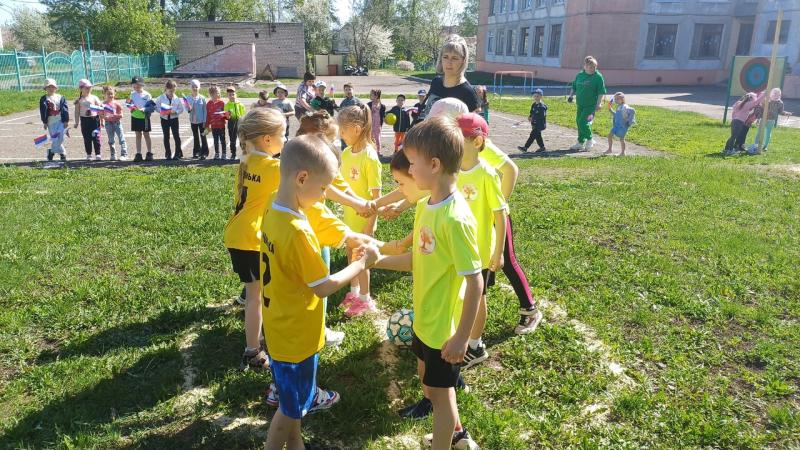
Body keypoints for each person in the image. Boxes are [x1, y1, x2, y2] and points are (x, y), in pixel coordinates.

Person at [371, 116, 482, 450]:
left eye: (412, 162)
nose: (408, 169)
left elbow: (475, 283)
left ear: (434, 165)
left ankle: (448, 440)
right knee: (428, 384)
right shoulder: (425, 205)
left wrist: (461, 338)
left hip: (444, 330)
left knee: (441, 396)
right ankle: (456, 433)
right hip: (424, 318)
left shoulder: (456, 219)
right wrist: (374, 260)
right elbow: (416, 261)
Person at [261, 134, 379, 450]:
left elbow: (319, 220)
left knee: (295, 401)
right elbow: (324, 287)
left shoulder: (274, 204)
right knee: (289, 410)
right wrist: (360, 263)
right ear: (302, 178)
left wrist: (350, 238)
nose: (325, 194)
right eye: (324, 188)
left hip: (279, 325)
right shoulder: (298, 232)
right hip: (296, 336)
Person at [223, 108, 286, 372]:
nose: (286, 139)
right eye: (283, 134)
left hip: (238, 233)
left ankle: (257, 335)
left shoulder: (246, 160)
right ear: (268, 139)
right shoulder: (274, 167)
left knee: (255, 291)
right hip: (251, 238)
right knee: (255, 296)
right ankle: (253, 351)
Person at [456, 113, 507, 369]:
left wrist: (499, 252)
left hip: (480, 250)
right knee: (460, 294)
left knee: (477, 296)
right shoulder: (452, 170)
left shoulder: (487, 174)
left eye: (458, 139)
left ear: (477, 142)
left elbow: (500, 215)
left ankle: (475, 346)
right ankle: (460, 334)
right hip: (458, 246)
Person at [337, 105, 382, 317]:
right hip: (349, 218)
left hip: (364, 222)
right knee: (351, 255)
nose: (340, 134)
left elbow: (377, 198)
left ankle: (365, 299)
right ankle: (354, 292)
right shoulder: (346, 153)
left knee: (362, 260)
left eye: (343, 130)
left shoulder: (370, 157)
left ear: (356, 128)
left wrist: (370, 225)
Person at [420, 34, 480, 119]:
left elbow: (474, 125)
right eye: (445, 57)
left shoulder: (468, 93)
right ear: (441, 59)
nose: (449, 62)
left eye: (454, 58)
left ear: (463, 60)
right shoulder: (436, 82)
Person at [568, 56, 607, 151]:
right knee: (579, 122)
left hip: (591, 105)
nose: (593, 69)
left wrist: (599, 104)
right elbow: (574, 86)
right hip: (580, 104)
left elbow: (601, 92)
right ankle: (580, 142)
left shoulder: (598, 77)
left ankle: (590, 139)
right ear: (585, 66)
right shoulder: (580, 75)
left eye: (594, 67)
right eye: (590, 67)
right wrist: (571, 96)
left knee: (583, 122)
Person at [749, 87, 792, 155]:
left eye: (778, 94)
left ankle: (765, 146)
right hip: (764, 119)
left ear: (780, 95)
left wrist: (786, 113)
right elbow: (761, 109)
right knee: (759, 132)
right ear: (771, 94)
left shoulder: (780, 103)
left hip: (771, 120)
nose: (776, 95)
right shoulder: (766, 100)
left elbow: (780, 111)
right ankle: (756, 145)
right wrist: (758, 118)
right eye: (774, 93)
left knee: (768, 133)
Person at [724, 90, 765, 155]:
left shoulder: (739, 103)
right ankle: (730, 150)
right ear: (751, 99)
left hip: (734, 121)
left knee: (733, 136)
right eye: (754, 98)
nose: (755, 100)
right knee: (733, 137)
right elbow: (757, 102)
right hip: (739, 122)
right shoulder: (748, 104)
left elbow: (734, 111)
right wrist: (764, 94)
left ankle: (727, 149)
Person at [73, 78, 103, 161]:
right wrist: (76, 122)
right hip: (84, 120)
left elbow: (100, 109)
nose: (88, 89)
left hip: (95, 120)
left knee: (96, 137)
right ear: (81, 88)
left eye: (90, 87)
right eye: (86, 88)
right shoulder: (79, 100)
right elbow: (77, 112)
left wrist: (102, 120)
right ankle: (89, 154)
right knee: (87, 138)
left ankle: (98, 154)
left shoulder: (94, 97)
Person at [39, 78, 69, 161]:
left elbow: (65, 109)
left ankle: (51, 151)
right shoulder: (44, 98)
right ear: (45, 88)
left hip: (60, 121)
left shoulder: (60, 97)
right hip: (50, 122)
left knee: (61, 137)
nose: (51, 89)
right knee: (55, 138)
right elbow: (43, 111)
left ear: (56, 88)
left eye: (52, 87)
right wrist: (45, 122)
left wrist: (66, 120)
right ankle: (62, 153)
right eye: (48, 87)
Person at [155, 80, 185, 160]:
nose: (172, 93)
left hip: (174, 119)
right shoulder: (160, 98)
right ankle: (168, 153)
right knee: (166, 136)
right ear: (166, 89)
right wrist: (162, 111)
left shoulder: (177, 98)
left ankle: (178, 153)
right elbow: (156, 107)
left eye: (174, 91)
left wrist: (175, 112)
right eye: (170, 91)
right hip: (164, 119)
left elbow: (181, 109)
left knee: (176, 136)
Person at [128, 76, 154, 162]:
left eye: (138, 85)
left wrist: (145, 109)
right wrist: (131, 107)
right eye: (134, 86)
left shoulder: (147, 95)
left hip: (144, 117)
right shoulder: (132, 94)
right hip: (135, 117)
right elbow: (130, 104)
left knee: (146, 134)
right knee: (138, 135)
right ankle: (138, 153)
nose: (136, 87)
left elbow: (151, 106)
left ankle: (149, 153)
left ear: (142, 85)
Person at [604, 92, 635, 156]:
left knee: (621, 139)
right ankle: (609, 149)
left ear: (622, 99)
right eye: (615, 99)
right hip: (616, 125)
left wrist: (630, 121)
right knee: (609, 136)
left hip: (622, 126)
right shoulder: (619, 106)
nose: (616, 100)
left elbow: (632, 110)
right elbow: (616, 114)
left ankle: (623, 153)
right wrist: (610, 108)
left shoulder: (624, 106)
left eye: (617, 99)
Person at [101, 86, 128, 161]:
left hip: (117, 123)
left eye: (112, 94)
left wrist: (113, 115)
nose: (110, 95)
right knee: (111, 140)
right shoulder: (103, 104)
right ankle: (113, 154)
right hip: (108, 124)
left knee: (121, 139)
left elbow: (121, 115)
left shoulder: (117, 104)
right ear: (104, 94)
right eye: (108, 94)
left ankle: (124, 154)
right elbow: (101, 114)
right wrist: (103, 119)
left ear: (114, 94)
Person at [518, 88, 547, 153]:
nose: (536, 97)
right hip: (534, 123)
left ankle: (525, 148)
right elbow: (532, 112)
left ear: (541, 97)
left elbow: (542, 116)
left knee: (532, 135)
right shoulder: (534, 104)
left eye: (537, 96)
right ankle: (542, 148)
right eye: (534, 96)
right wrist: (530, 116)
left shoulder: (542, 106)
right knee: (538, 136)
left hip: (540, 124)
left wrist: (533, 118)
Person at [186, 79, 209, 160]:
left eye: (196, 87)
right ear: (190, 87)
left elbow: (205, 110)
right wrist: (189, 108)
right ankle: (196, 152)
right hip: (193, 121)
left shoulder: (202, 98)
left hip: (202, 121)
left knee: (203, 136)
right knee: (195, 136)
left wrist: (205, 121)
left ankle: (204, 152)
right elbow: (187, 109)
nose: (195, 88)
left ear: (199, 88)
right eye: (193, 86)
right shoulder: (188, 98)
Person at [224, 86, 247, 160]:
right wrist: (227, 116)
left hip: (240, 122)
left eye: (233, 94)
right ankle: (233, 154)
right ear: (227, 96)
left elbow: (244, 114)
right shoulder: (227, 105)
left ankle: (244, 153)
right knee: (232, 139)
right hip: (231, 123)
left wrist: (243, 121)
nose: (232, 96)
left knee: (242, 139)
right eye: (229, 95)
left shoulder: (240, 104)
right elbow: (226, 117)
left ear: (235, 94)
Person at [205, 86, 228, 159]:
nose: (219, 94)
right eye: (217, 93)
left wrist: (226, 116)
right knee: (215, 140)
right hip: (213, 126)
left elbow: (225, 114)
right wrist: (207, 125)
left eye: (219, 92)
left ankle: (224, 154)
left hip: (221, 125)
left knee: (223, 140)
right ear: (211, 94)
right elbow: (208, 115)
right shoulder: (208, 104)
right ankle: (217, 154)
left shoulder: (222, 103)